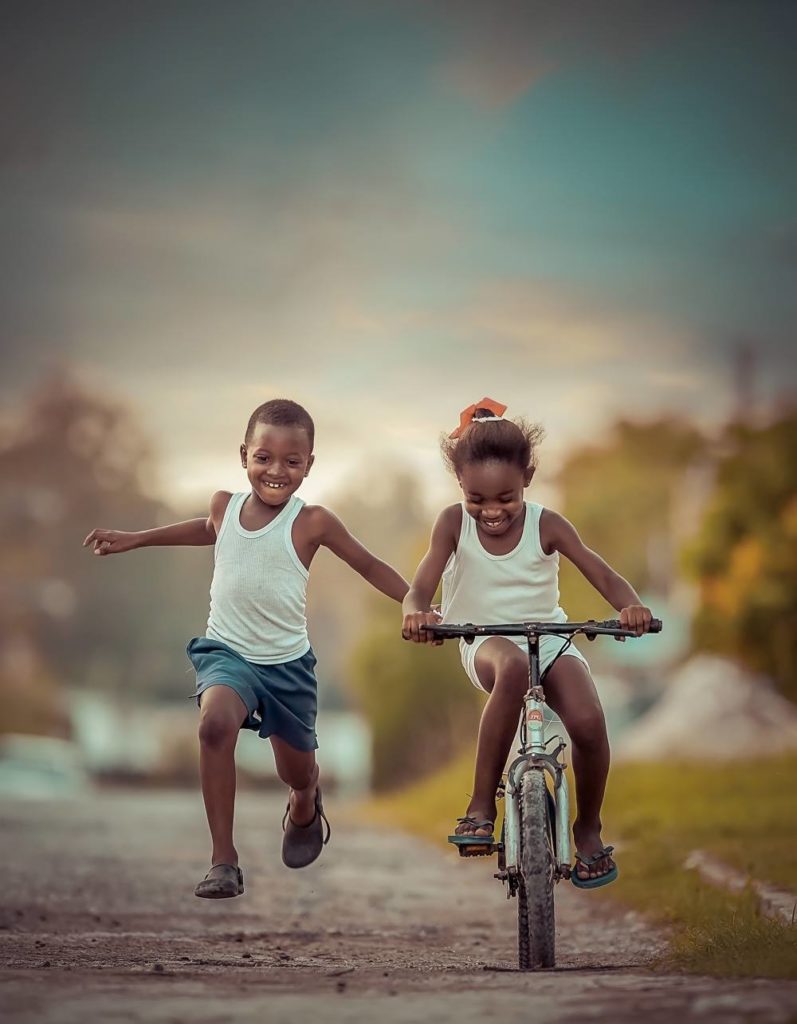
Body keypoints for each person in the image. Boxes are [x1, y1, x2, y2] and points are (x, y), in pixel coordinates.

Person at [84, 399, 408, 898]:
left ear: (309, 465)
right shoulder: (224, 505)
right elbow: (206, 530)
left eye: (291, 461)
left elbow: (368, 565)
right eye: (264, 457)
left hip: (287, 665)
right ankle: (223, 861)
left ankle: (305, 799)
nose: (276, 471)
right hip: (227, 653)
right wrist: (136, 538)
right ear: (244, 455)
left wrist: (419, 602)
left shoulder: (314, 521)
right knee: (214, 724)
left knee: (294, 769)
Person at [401, 398, 653, 889]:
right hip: (484, 642)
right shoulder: (452, 523)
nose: (491, 511)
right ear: (460, 487)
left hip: (550, 636)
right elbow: (420, 586)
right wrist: (415, 611)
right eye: (478, 499)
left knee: (587, 720)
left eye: (506, 498)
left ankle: (588, 827)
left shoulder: (549, 524)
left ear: (528, 477)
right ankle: (479, 806)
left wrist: (632, 606)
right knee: (514, 667)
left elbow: (601, 572)